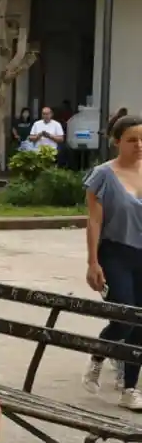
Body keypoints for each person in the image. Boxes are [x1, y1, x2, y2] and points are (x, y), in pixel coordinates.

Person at [83, 114, 142, 409]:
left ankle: (130, 389)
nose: (140, 145)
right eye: (132, 140)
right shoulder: (103, 175)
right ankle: (98, 354)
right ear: (117, 142)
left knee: (140, 323)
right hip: (115, 253)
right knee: (126, 316)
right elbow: (94, 221)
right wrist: (93, 263)